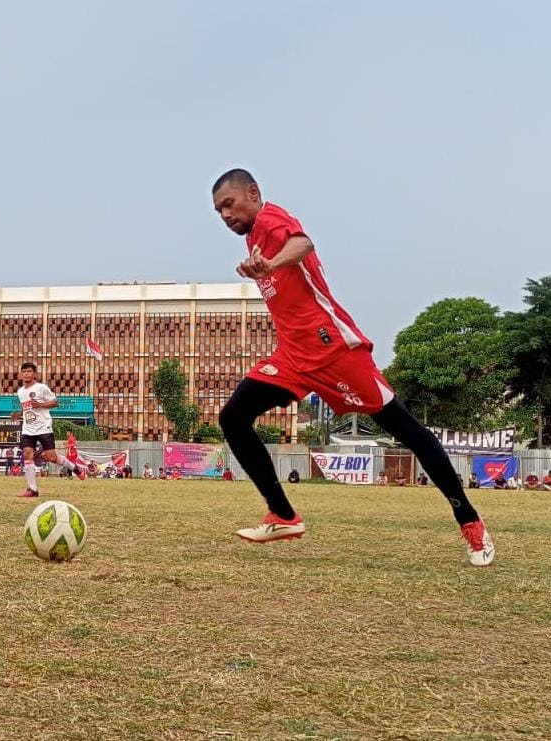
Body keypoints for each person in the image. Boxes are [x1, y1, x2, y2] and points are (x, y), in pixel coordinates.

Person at [211, 171, 496, 563]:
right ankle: (283, 515)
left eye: (229, 204)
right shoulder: (252, 238)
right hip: (293, 357)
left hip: (335, 351)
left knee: (407, 430)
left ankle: (470, 522)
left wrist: (273, 262)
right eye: (218, 210)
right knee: (234, 417)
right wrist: (265, 264)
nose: (225, 214)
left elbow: (304, 243)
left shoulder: (271, 219)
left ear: (254, 194)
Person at [11, 362, 85, 497]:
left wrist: (41, 404)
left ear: (34, 374)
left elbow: (55, 402)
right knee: (27, 453)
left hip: (43, 426)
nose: (26, 374)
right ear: (21, 374)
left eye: (29, 371)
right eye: (24, 371)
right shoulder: (20, 392)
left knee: (51, 457)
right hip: (28, 428)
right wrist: (18, 414)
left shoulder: (41, 388)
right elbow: (27, 408)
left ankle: (74, 468)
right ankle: (32, 489)